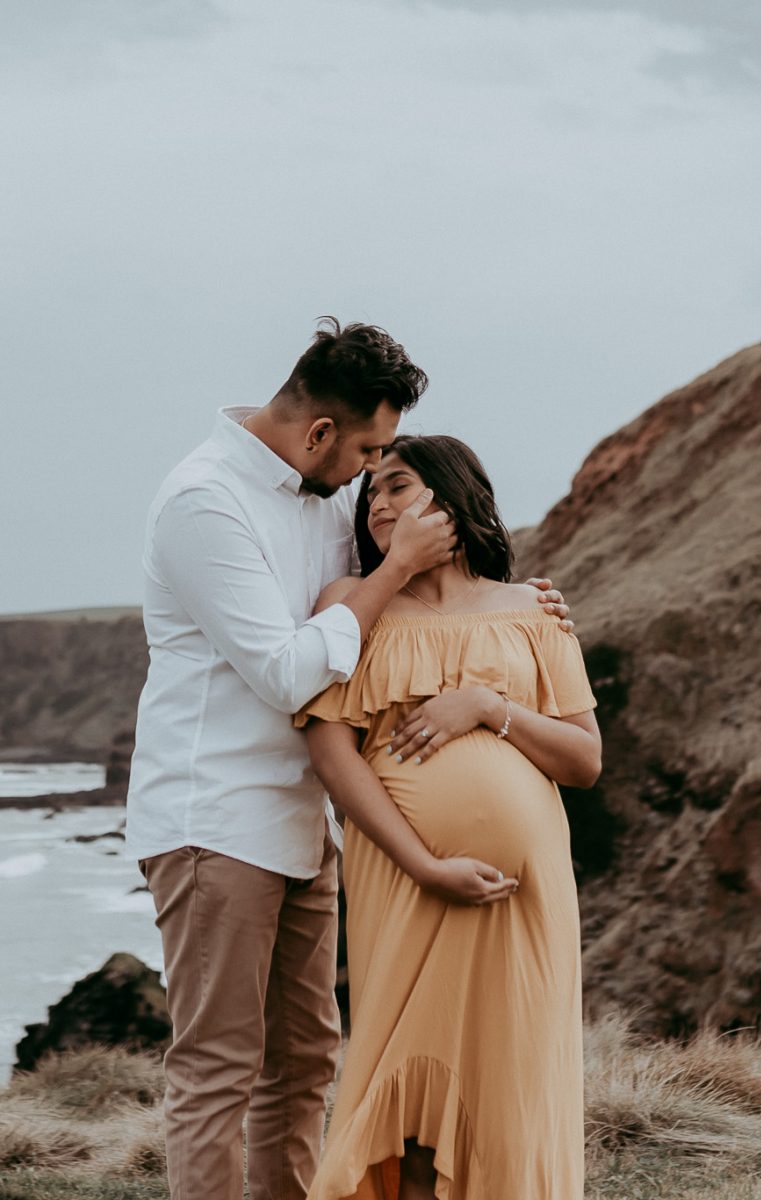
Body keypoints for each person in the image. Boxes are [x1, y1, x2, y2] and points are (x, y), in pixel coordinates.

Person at [126, 321, 571, 1200]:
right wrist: (398, 564)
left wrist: (523, 598)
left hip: (305, 827)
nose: (373, 473)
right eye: (367, 448)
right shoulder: (203, 501)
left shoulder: (327, 488)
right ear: (321, 433)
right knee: (219, 1066)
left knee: (305, 1062)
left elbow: (404, 573)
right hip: (215, 817)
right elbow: (292, 670)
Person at [296, 434, 601, 1200]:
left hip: (523, 901)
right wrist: (425, 866)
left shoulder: (533, 610)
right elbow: (334, 758)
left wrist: (489, 707)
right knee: (409, 1095)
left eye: (397, 486)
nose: (379, 504)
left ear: (453, 498)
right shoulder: (350, 608)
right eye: (370, 496)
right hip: (406, 881)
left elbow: (584, 760)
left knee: (509, 1079)